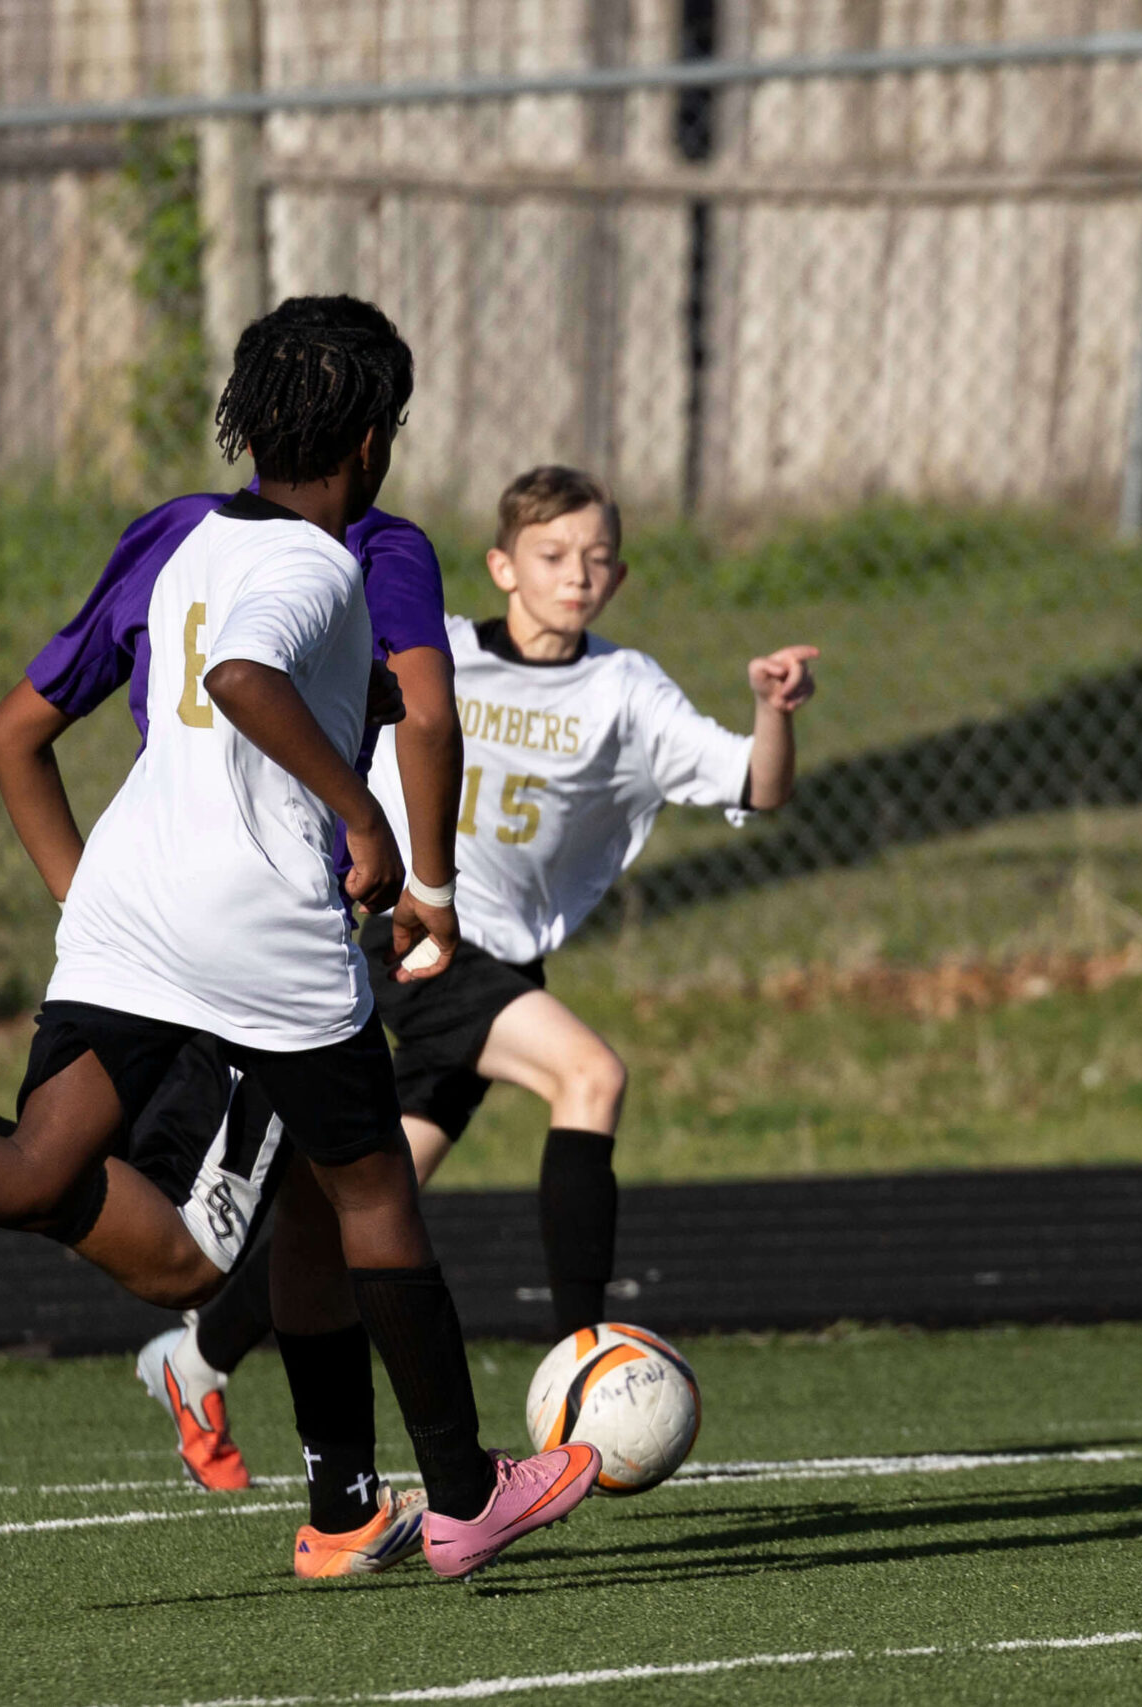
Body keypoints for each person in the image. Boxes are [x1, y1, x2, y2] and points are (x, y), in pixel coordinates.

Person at [0, 299, 596, 1583]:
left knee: (47, 1169)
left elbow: (99, 707)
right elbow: (256, 683)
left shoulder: (186, 537)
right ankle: (467, 1497)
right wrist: (374, 825)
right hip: (261, 919)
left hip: (126, 896)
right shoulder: (340, 561)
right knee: (361, 1194)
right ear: (372, 441)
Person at [163, 462, 817, 1461]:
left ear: (620, 576)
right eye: (552, 555)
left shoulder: (625, 689)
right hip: (415, 935)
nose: (577, 574)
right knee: (591, 1075)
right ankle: (589, 1361)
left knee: (362, 1209)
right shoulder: (441, 656)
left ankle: (198, 1355)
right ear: (503, 567)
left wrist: (775, 711)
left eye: (597, 557)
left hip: (502, 967)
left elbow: (759, 787)